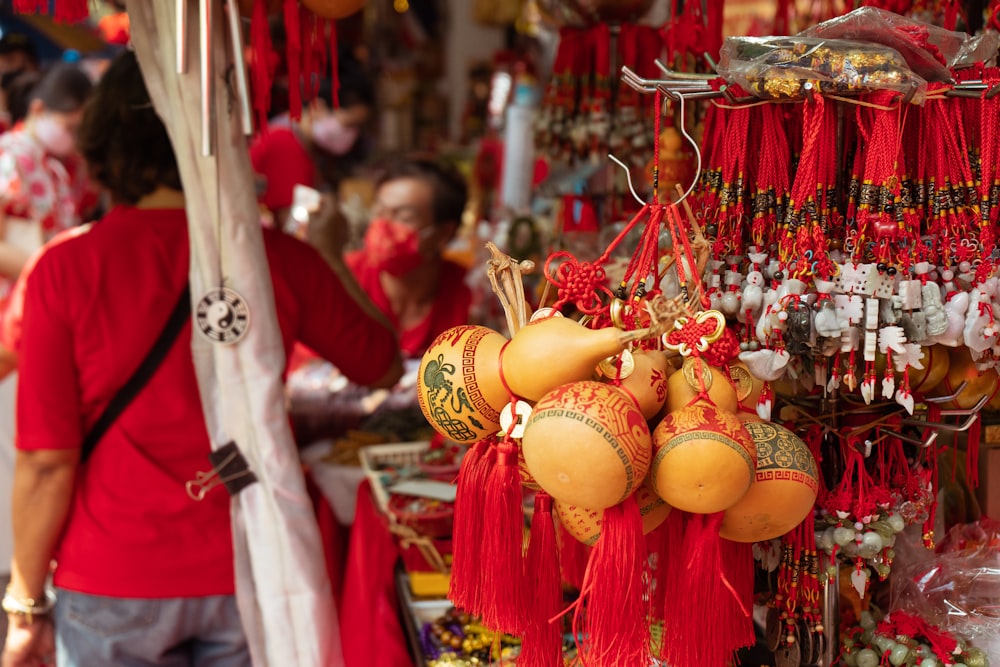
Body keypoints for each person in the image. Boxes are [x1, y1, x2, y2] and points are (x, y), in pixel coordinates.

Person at [1, 50, 402, 667]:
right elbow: (382, 364)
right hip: (250, 564)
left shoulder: (65, 268)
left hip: (112, 574)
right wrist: (328, 254)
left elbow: (47, 462)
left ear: (105, 141)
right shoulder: (277, 259)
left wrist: (25, 604)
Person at [342, 157, 472, 359]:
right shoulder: (344, 277)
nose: (383, 226)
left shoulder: (471, 296)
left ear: (444, 233)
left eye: (403, 217)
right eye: (379, 212)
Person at [0, 61, 94, 295]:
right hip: (16, 300)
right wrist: (51, 275)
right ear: (39, 109)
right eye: (70, 127)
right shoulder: (8, 155)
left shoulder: (68, 163)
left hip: (51, 293)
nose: (75, 138)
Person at [250, 59, 375, 227]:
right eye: (349, 124)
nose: (352, 134)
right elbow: (292, 223)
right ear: (318, 107)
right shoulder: (284, 144)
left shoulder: (302, 141)